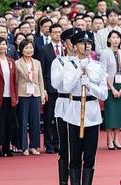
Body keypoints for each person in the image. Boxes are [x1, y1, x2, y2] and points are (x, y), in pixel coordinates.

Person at [63, 30, 108, 185]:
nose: (87, 46)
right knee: (75, 156)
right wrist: (78, 71)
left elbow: (104, 94)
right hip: (75, 111)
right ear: (75, 46)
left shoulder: (98, 66)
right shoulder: (70, 64)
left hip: (92, 112)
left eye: (89, 43)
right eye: (83, 43)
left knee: (89, 156)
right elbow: (67, 85)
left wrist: (89, 86)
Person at [52, 28, 77, 185]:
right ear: (65, 43)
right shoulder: (59, 61)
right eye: (72, 41)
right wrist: (69, 67)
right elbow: (55, 83)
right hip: (64, 104)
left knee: (78, 145)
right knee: (65, 145)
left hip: (80, 104)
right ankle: (63, 180)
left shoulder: (87, 62)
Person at [0, 37, 18, 156]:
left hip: (9, 97)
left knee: (8, 123)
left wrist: (15, 97)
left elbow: (14, 81)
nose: (2, 47)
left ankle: (6, 147)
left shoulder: (11, 61)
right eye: (0, 45)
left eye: (4, 44)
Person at [100, 30, 121, 150]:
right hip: (110, 87)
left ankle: (117, 139)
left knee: (120, 114)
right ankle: (110, 139)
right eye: (113, 37)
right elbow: (104, 73)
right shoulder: (104, 53)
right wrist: (112, 89)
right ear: (108, 40)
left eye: (118, 37)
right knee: (110, 113)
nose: (116, 40)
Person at [15, 39, 46, 155]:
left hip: (35, 93)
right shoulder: (17, 63)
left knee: (35, 121)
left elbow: (40, 80)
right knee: (23, 121)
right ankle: (24, 147)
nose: (29, 50)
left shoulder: (37, 63)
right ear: (21, 50)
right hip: (22, 93)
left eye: (31, 48)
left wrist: (42, 94)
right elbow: (16, 81)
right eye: (26, 48)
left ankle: (34, 146)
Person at [39, 23, 64, 154]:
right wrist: (43, 89)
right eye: (55, 32)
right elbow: (41, 71)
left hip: (64, 89)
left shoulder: (66, 48)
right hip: (50, 88)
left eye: (59, 32)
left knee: (61, 117)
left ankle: (58, 143)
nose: (57, 34)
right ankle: (48, 144)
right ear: (50, 33)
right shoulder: (44, 49)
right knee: (49, 117)